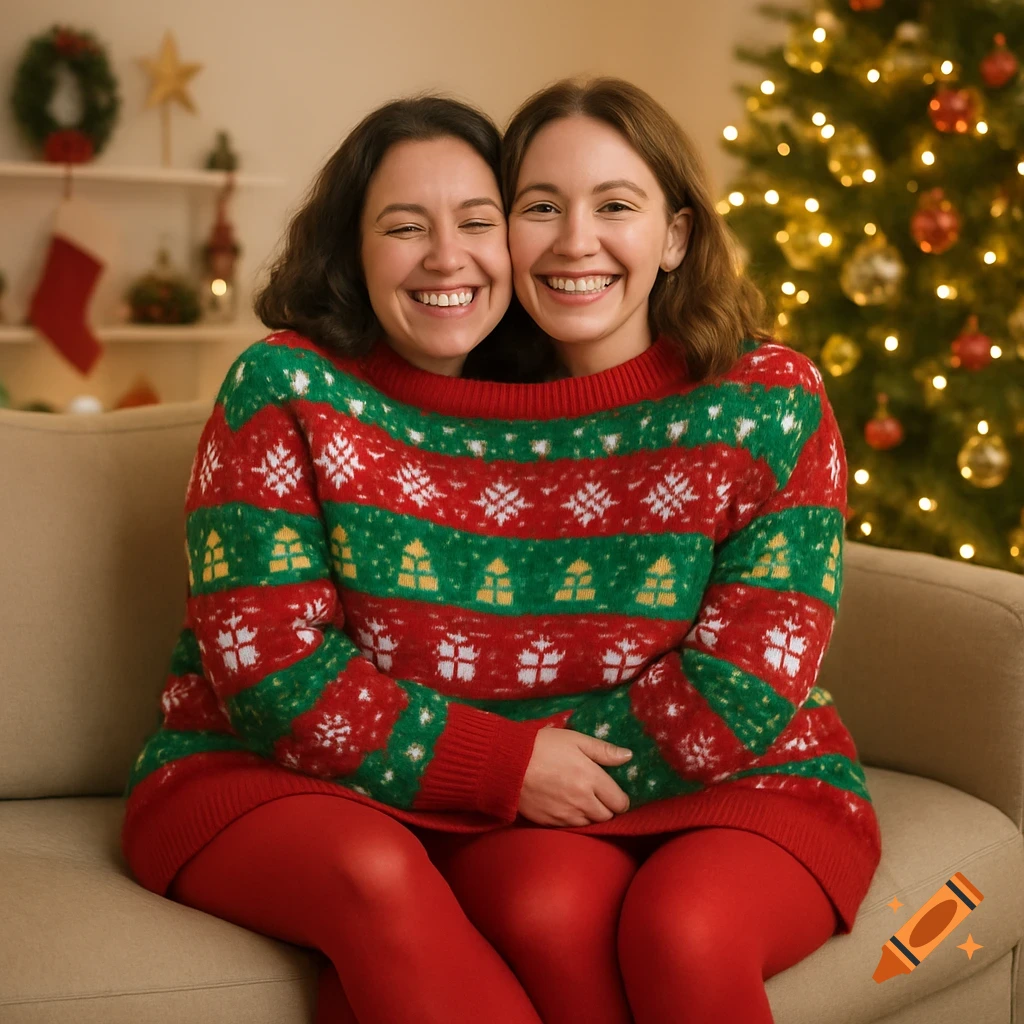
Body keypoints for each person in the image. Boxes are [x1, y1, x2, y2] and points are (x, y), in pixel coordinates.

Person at [121, 85, 881, 1024]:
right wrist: (502, 764)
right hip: (303, 772)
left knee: (633, 922)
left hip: (712, 777)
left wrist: (524, 765)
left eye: (475, 218)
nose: (570, 241)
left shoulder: (762, 398)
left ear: (677, 235)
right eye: (539, 208)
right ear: (352, 249)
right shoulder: (301, 387)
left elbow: (749, 673)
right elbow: (270, 661)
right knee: (466, 892)